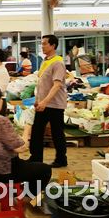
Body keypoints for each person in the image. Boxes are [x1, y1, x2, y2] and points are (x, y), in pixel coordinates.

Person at [0, 84, 51, 197]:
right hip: (1, 169)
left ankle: (0, 189)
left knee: (25, 163)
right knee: (44, 169)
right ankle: (25, 195)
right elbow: (21, 147)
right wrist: (27, 128)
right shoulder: (1, 121)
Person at [29, 35, 68, 168]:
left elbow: (57, 85)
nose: (42, 46)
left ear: (53, 46)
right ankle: (36, 158)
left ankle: (61, 159)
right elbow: (41, 83)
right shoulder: (45, 61)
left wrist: (44, 102)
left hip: (54, 104)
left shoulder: (58, 62)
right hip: (43, 103)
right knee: (36, 132)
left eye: (45, 44)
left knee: (57, 133)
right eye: (42, 43)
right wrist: (37, 100)